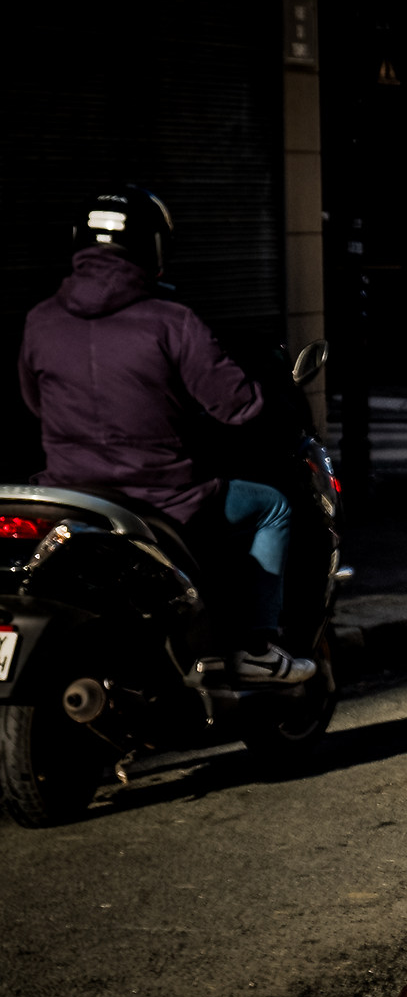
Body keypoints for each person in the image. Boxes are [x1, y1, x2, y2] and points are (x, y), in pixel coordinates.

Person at [18, 188, 316, 682]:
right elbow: (237, 405)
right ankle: (257, 647)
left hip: (68, 490)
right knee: (272, 505)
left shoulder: (40, 318)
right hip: (162, 496)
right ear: (154, 250)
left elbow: (34, 402)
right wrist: (280, 408)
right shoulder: (171, 321)